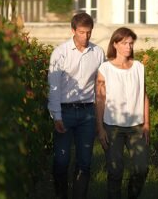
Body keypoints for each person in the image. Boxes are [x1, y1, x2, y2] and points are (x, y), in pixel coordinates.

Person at [48, 12, 106, 199]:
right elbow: (54, 87)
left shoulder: (98, 53)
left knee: (84, 162)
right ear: (73, 30)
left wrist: (101, 117)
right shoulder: (60, 53)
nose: (86, 36)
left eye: (89, 32)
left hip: (88, 112)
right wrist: (56, 115)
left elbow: (101, 85)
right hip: (65, 111)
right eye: (81, 32)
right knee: (61, 161)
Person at [95, 27, 150, 199]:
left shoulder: (139, 67)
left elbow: (144, 96)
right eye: (125, 43)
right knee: (115, 171)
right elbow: (100, 99)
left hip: (136, 126)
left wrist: (147, 124)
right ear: (115, 44)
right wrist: (100, 128)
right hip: (112, 127)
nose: (129, 47)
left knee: (142, 168)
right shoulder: (105, 69)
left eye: (131, 43)